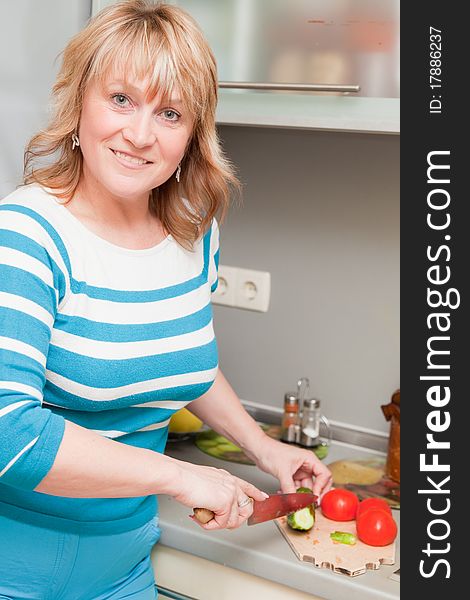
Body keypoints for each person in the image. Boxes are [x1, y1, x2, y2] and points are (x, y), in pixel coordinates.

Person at [0, 1, 332, 597]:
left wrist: (264, 448)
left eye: (170, 112)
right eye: (121, 99)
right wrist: (181, 476)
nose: (140, 134)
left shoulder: (193, 235)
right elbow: (10, 436)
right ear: (79, 103)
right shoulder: (26, 235)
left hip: (125, 570)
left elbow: (182, 361)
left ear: (192, 135)